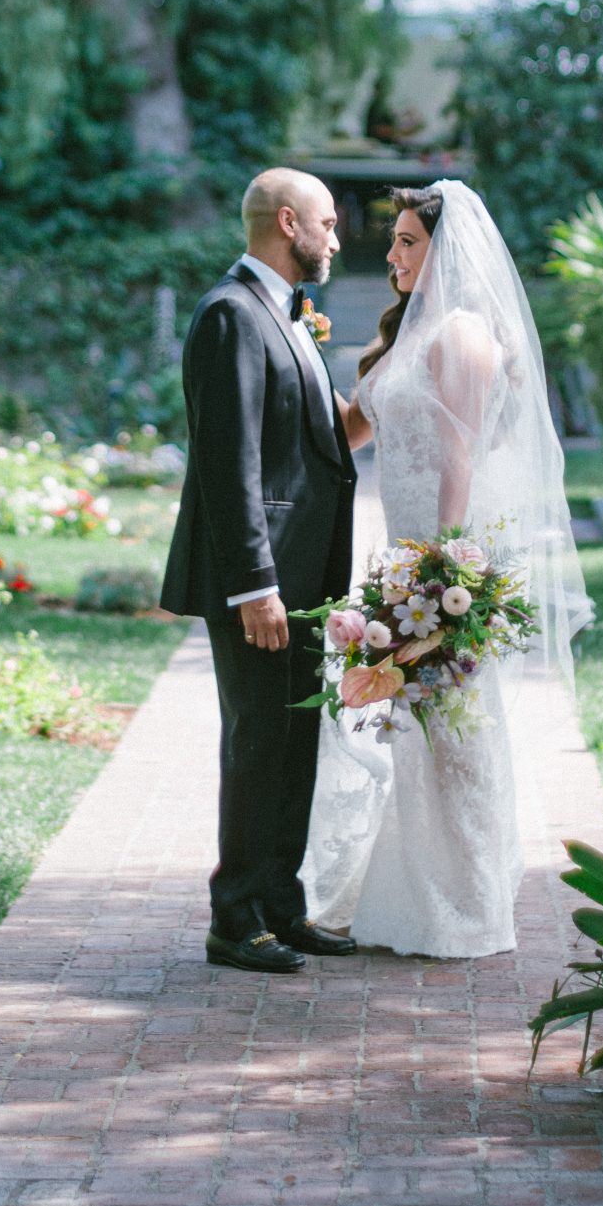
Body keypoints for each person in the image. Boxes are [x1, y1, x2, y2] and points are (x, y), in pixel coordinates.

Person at [302, 180, 592, 957]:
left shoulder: (462, 333)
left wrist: (443, 569)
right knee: (414, 724)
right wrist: (298, 347)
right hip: (405, 555)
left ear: (446, 250)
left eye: (408, 242)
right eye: (394, 241)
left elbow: (459, 453)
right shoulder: (404, 337)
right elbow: (354, 430)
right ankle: (415, 889)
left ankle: (467, 902)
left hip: (444, 562)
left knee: (457, 726)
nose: (392, 255)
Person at [160, 167, 360, 974]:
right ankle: (234, 916)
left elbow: (311, 444)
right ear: (289, 222)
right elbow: (228, 463)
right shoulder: (230, 317)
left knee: (294, 737)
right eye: (328, 224)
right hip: (264, 583)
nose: (337, 240)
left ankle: (282, 903)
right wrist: (255, 586)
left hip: (305, 579)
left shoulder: (286, 316)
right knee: (257, 741)